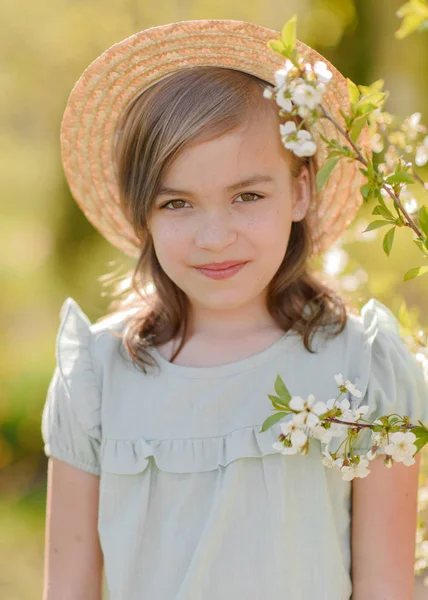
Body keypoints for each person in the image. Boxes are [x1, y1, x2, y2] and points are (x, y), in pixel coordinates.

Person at [41, 19, 428, 600]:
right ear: (141, 211)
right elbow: (68, 589)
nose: (215, 236)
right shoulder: (96, 377)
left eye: (247, 195)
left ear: (300, 190)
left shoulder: (363, 368)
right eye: (177, 203)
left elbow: (385, 587)